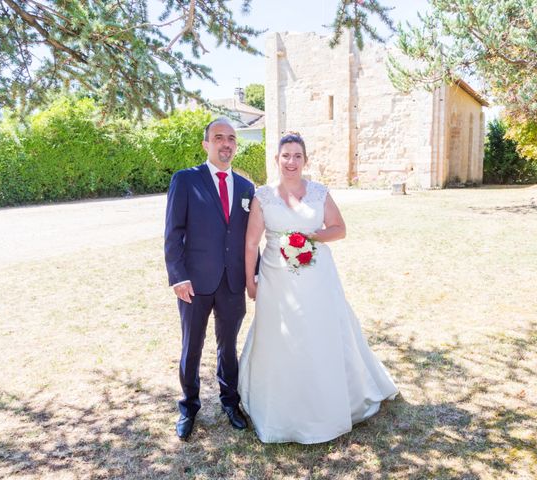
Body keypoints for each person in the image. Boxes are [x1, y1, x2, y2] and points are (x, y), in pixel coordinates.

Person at [238, 133, 398, 444]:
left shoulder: (319, 193)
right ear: (277, 159)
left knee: (320, 332)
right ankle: (278, 408)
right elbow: (250, 242)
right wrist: (250, 280)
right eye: (286, 155)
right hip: (275, 279)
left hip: (318, 277)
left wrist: (312, 237)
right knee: (278, 336)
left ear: (305, 160)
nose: (291, 161)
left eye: (298, 156)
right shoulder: (263, 197)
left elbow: (340, 230)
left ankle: (329, 403)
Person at [164, 118, 255, 440]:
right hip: (194, 284)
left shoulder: (246, 188)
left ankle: (231, 403)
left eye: (231, 138)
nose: (226, 143)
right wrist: (177, 277)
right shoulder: (186, 180)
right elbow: (173, 233)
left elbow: (249, 239)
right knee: (192, 347)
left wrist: (252, 275)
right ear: (206, 144)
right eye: (219, 137)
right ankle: (188, 407)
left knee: (228, 347)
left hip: (232, 283)